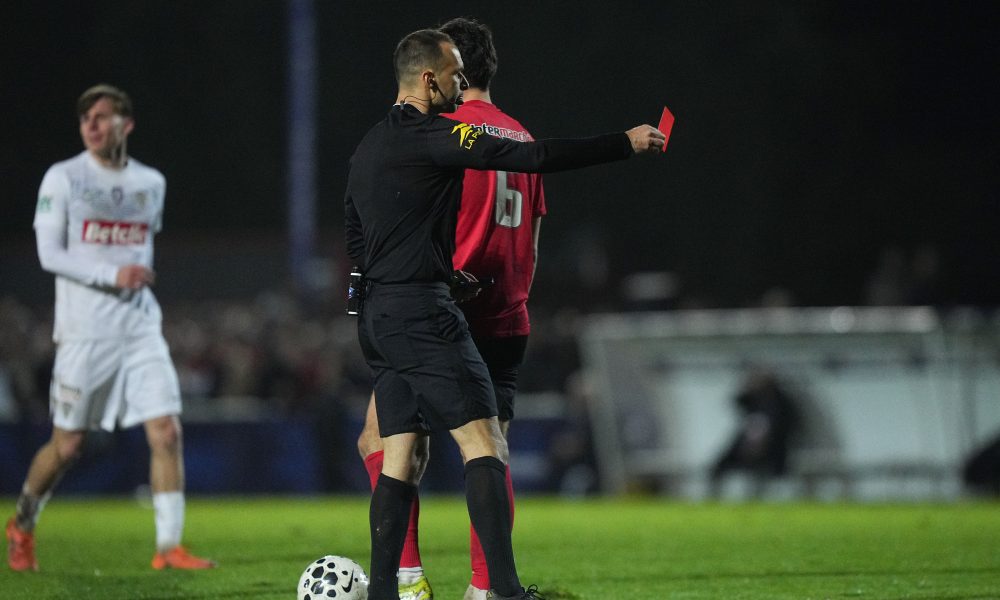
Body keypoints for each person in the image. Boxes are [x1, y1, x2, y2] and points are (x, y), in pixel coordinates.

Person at [344, 28, 663, 600]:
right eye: (453, 73)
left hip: (378, 315)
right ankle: (502, 593)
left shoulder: (368, 145)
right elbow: (533, 157)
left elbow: (355, 232)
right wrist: (624, 142)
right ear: (429, 79)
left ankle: (387, 591)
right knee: (485, 445)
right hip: (429, 314)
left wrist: (389, 286)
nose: (460, 83)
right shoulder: (439, 136)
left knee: (396, 453)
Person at [354, 17, 550, 600]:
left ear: (447, 71)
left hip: (447, 309)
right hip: (510, 313)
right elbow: (531, 243)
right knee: (491, 446)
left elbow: (434, 223)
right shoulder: (518, 133)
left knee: (384, 442)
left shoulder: (447, 131)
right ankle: (487, 589)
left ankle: (406, 582)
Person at [5, 84, 215, 572]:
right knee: (68, 446)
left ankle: (168, 549)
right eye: (85, 120)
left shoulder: (151, 183)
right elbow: (48, 254)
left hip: (140, 328)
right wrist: (112, 274)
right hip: (84, 333)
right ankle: (23, 522)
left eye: (101, 116)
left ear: (127, 124)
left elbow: (138, 248)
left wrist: (130, 279)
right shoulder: (64, 178)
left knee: (166, 432)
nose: (92, 126)